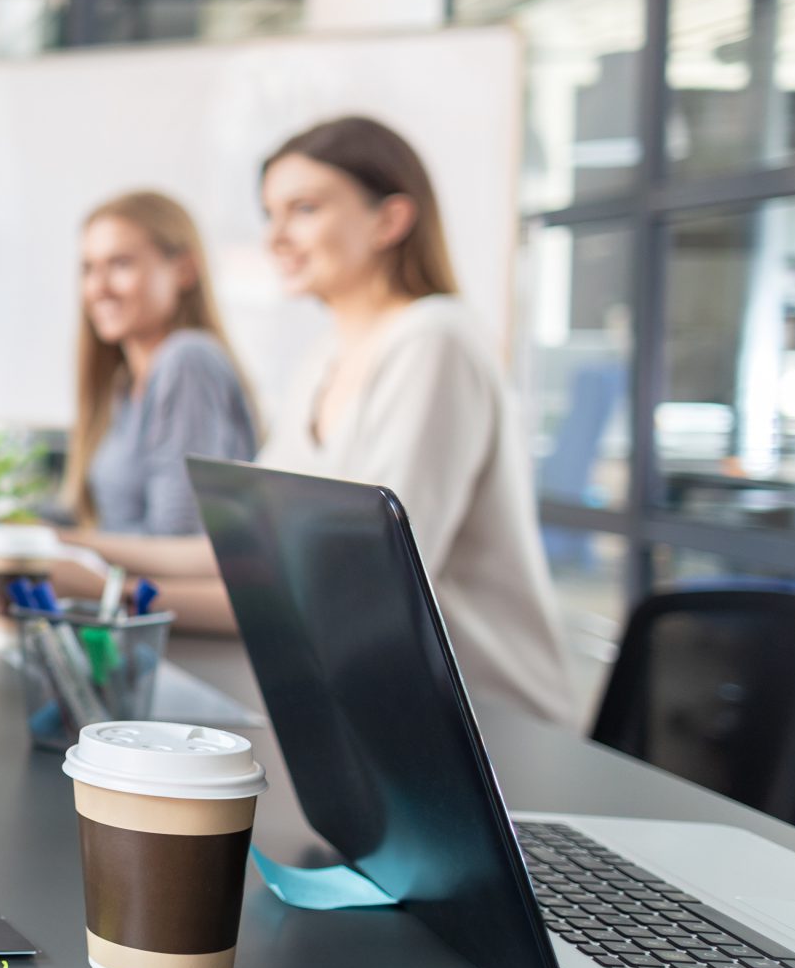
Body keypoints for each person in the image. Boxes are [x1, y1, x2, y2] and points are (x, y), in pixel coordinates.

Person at [72, 116, 573, 725]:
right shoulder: (323, 362)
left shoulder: (434, 341)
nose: (276, 237)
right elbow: (244, 546)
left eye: (303, 208)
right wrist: (77, 548)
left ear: (389, 220)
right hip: (367, 711)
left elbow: (369, 590)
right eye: (270, 214)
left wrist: (111, 591)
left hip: (482, 727)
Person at [61, 190, 256, 538]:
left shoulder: (188, 360)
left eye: (120, 264)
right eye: (89, 269)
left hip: (156, 591)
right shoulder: (124, 383)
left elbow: (176, 537)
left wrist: (67, 546)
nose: (98, 288)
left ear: (183, 270)